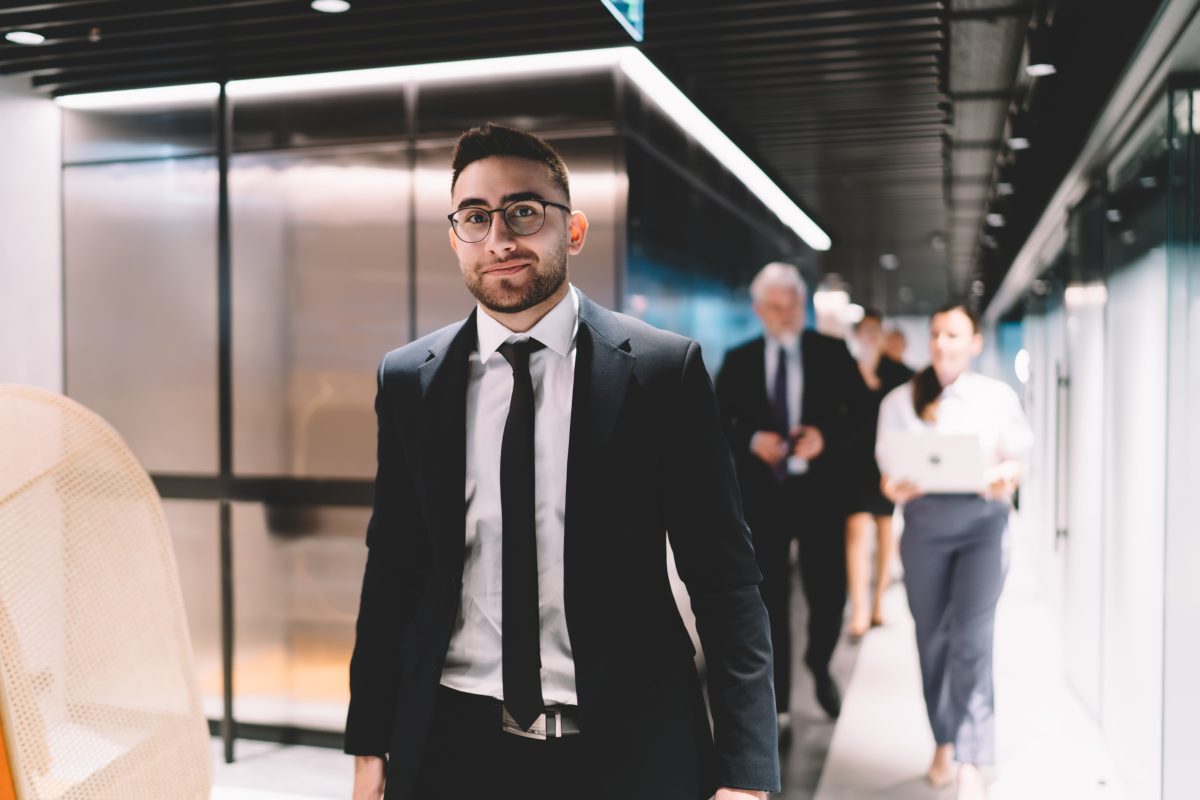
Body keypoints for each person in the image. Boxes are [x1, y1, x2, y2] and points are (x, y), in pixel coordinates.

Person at [345, 123, 779, 800]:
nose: (500, 239)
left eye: (523, 211)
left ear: (572, 230)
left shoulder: (662, 372)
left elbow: (725, 580)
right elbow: (394, 570)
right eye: (475, 217)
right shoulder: (410, 380)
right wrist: (369, 742)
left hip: (624, 750)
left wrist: (748, 774)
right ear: (455, 237)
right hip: (452, 747)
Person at [876, 302, 1032, 800]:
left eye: (954, 335)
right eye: (938, 333)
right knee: (933, 639)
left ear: (975, 342)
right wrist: (895, 488)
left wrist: (1004, 476)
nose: (943, 343)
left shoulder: (997, 397)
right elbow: (888, 472)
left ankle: (971, 756)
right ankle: (944, 739)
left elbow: (1018, 462)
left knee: (972, 638)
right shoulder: (901, 401)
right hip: (923, 529)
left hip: (982, 528)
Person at [715, 262, 862, 731]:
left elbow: (862, 421)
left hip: (820, 492)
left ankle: (819, 664)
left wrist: (825, 438)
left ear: (804, 304)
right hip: (764, 496)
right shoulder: (738, 362)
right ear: (759, 310)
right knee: (769, 598)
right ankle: (776, 701)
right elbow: (717, 428)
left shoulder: (834, 353)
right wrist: (753, 439)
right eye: (776, 307)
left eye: (793, 304)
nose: (785, 314)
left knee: (829, 591)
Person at [844, 309, 913, 638]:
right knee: (857, 528)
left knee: (886, 528)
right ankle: (859, 607)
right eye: (866, 329)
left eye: (877, 329)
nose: (872, 335)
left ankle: (877, 604)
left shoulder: (899, 373)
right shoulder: (844, 370)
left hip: (887, 460)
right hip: (854, 461)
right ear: (858, 333)